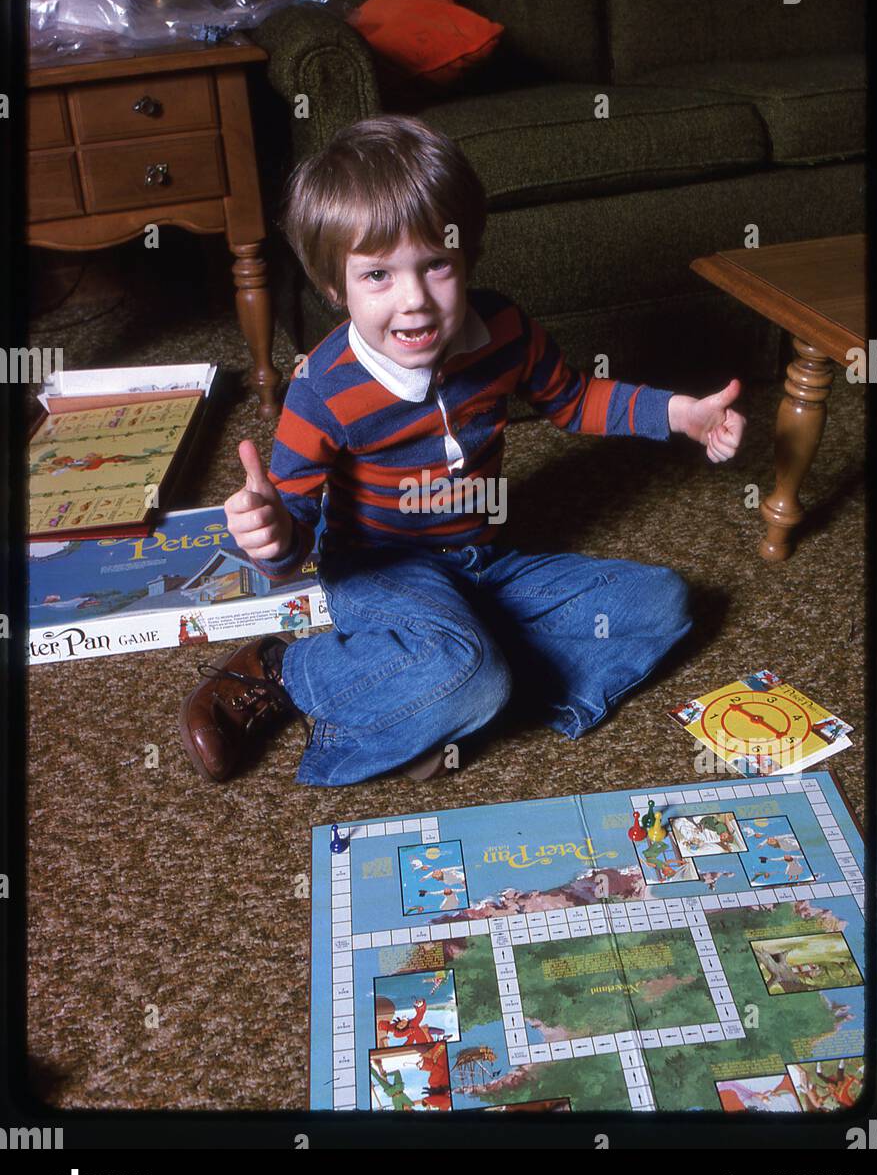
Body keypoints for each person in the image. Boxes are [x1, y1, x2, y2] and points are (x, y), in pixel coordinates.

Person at [179, 116, 745, 785]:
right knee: (462, 666)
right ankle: (285, 669)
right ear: (335, 288)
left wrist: (677, 412)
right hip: (381, 572)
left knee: (660, 602)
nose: (414, 301)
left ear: (467, 255)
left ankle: (461, 693)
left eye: (436, 266)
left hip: (483, 563)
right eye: (378, 276)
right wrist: (269, 534)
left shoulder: (503, 327)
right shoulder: (322, 389)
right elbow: (291, 543)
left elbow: (572, 399)